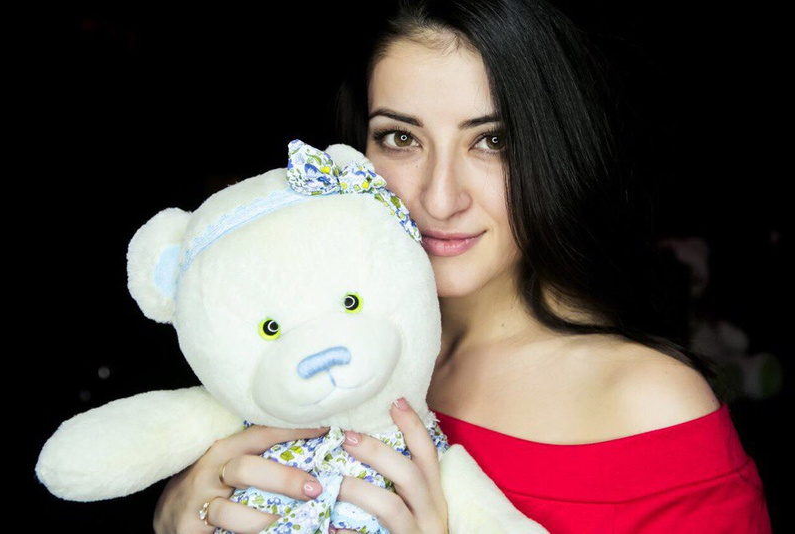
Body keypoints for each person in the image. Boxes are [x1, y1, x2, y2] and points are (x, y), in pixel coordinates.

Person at [153, 1, 772, 532]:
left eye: (492, 140)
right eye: (401, 138)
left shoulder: (649, 404)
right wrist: (178, 513)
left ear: (554, 151)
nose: (440, 198)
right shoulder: (291, 341)